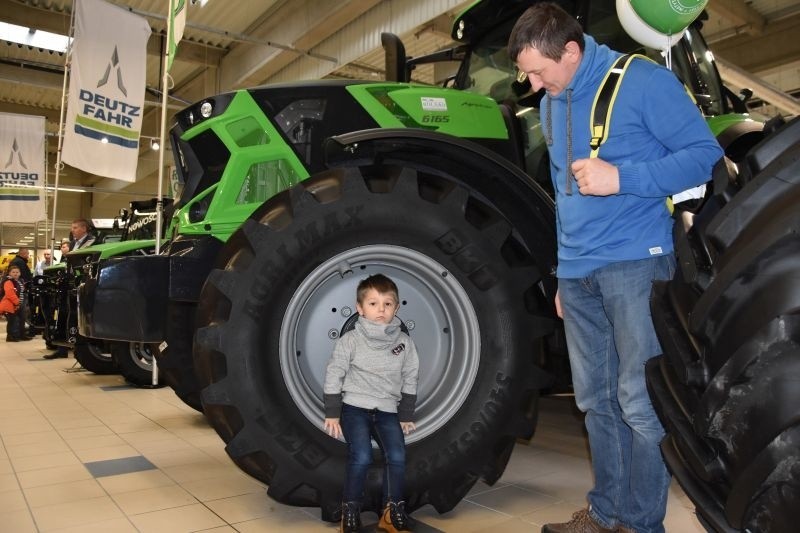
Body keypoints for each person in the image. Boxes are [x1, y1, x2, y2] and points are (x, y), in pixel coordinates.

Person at [508, 4, 723, 533]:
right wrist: (562, 272)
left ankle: (642, 523)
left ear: (573, 51)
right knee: (595, 401)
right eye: (526, 74)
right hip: (580, 273)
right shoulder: (555, 101)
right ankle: (606, 515)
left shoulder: (643, 81)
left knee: (638, 399)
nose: (533, 86)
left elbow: (704, 155)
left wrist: (621, 178)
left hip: (634, 263)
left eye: (539, 71)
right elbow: (564, 193)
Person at [323, 274, 420, 533]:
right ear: (360, 308)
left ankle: (391, 512)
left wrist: (405, 414)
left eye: (388, 304)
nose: (381, 309)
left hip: (387, 410)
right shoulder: (350, 340)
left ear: (396, 308)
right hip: (354, 408)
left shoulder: (404, 343)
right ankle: (350, 510)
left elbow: (410, 377)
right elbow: (335, 373)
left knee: (398, 455)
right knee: (362, 456)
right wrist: (333, 413)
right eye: (374, 303)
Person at [9, 248, 35, 339]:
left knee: (18, 316)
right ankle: (19, 335)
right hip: (19, 294)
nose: (28, 256)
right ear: (23, 253)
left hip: (18, 292)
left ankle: (17, 334)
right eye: (27, 254)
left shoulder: (16, 261)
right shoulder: (20, 262)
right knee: (20, 315)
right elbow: (25, 276)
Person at [1, 265, 28, 342]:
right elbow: (10, 294)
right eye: (13, 272)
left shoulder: (20, 281)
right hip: (12, 304)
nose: (15, 274)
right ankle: (11, 336)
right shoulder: (8, 281)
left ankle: (21, 335)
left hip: (21, 304)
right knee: (13, 321)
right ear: (9, 273)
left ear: (20, 273)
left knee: (22, 319)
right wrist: (17, 302)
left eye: (17, 272)